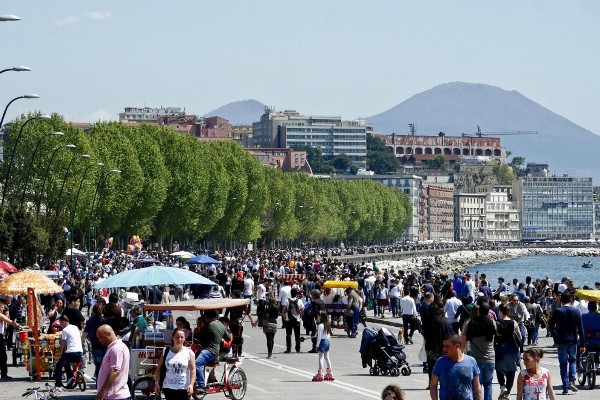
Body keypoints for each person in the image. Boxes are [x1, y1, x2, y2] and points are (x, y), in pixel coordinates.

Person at [548, 291, 585, 395]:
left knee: (563, 364)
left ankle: (565, 386)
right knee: (573, 361)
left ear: (561, 299)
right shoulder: (576, 312)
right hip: (573, 340)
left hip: (561, 341)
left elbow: (550, 325)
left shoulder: (557, 311)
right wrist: (582, 344)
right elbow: (581, 329)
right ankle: (572, 380)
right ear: (571, 299)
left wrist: (554, 333)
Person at [429, 334, 482, 400]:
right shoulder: (440, 362)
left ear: (457, 346)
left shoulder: (471, 361)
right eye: (443, 346)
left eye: (447, 346)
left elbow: (477, 386)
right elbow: (433, 386)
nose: (444, 349)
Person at [462, 302, 496, 400]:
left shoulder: (471, 323)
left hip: (476, 359)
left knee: (477, 385)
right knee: (488, 384)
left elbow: (463, 339)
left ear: (479, 311)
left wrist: (462, 354)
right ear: (488, 312)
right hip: (490, 358)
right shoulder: (492, 323)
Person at [194, 309, 231, 394]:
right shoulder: (221, 325)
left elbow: (199, 336)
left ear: (206, 317)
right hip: (215, 351)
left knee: (197, 363)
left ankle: (202, 386)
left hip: (210, 351)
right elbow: (228, 338)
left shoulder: (209, 325)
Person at [154, 328, 196, 400]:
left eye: (182, 337)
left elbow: (192, 370)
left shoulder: (189, 352)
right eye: (177, 337)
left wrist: (191, 385)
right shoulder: (166, 351)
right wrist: (157, 383)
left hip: (183, 388)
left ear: (184, 338)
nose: (179, 339)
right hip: (168, 387)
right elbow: (159, 368)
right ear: (173, 338)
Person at [50, 316, 84, 397]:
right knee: (66, 361)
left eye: (60, 323)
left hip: (71, 352)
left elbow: (63, 343)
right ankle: (70, 377)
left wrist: (61, 351)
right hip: (79, 351)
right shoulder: (75, 327)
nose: (60, 325)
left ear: (63, 321)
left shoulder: (65, 330)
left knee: (58, 366)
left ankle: (58, 385)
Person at [95, 324, 130, 400]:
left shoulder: (116, 348)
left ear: (109, 334)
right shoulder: (116, 347)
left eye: (101, 337)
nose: (99, 340)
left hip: (115, 396)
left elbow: (114, 371)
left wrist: (101, 393)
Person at [495, 303, 522, 400]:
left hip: (500, 349)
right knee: (511, 371)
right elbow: (520, 336)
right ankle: (507, 393)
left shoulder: (496, 322)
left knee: (498, 369)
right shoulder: (513, 323)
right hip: (512, 349)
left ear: (501, 312)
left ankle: (502, 386)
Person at [82, 304, 106, 380]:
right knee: (104, 367)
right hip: (104, 346)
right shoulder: (104, 321)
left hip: (95, 346)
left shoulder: (90, 321)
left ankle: (98, 385)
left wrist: (80, 343)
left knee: (98, 367)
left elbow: (84, 334)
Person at [311, 311, 334, 382]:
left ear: (321, 317)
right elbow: (328, 334)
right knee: (327, 357)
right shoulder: (327, 324)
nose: (317, 317)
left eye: (318, 316)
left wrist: (317, 346)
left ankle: (320, 373)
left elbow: (319, 337)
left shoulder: (320, 326)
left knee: (320, 358)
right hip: (327, 341)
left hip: (322, 342)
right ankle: (329, 372)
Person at [0, 309, 20, 380]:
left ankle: (3, 373)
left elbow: (6, 326)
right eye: (1, 307)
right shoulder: (1, 315)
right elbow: (10, 322)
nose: (3, 309)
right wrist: (17, 325)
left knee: (2, 356)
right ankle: (3, 374)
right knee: (3, 356)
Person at [282, 287, 303, 353]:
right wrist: (300, 317)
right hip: (297, 320)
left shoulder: (287, 300)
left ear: (290, 293)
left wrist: (285, 318)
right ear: (297, 293)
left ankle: (288, 349)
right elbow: (302, 310)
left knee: (288, 334)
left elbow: (283, 311)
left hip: (289, 320)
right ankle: (298, 349)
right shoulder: (299, 301)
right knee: (297, 335)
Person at [260, 294, 279, 358]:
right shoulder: (276, 307)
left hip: (268, 323)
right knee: (272, 338)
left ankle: (269, 353)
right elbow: (276, 316)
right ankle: (271, 352)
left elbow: (263, 315)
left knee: (269, 338)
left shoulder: (267, 307)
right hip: (274, 323)